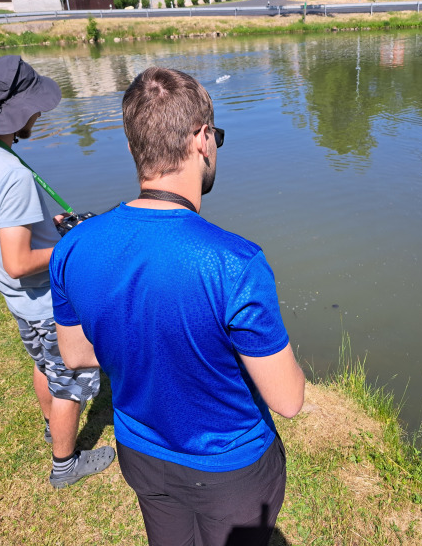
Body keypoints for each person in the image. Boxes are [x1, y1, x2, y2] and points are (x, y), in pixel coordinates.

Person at [50, 67, 305, 546]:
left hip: (142, 454)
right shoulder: (235, 262)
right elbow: (288, 400)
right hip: (232, 467)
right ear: (203, 139)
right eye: (216, 138)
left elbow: (76, 354)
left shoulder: (72, 247)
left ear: (134, 146)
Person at [0, 55, 115, 489]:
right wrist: (71, 244)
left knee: (44, 364)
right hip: (46, 302)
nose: (40, 114)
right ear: (19, 109)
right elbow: (19, 262)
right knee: (71, 382)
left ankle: (51, 428)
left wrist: (47, 226)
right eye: (36, 106)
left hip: (17, 301)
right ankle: (65, 465)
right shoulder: (12, 174)